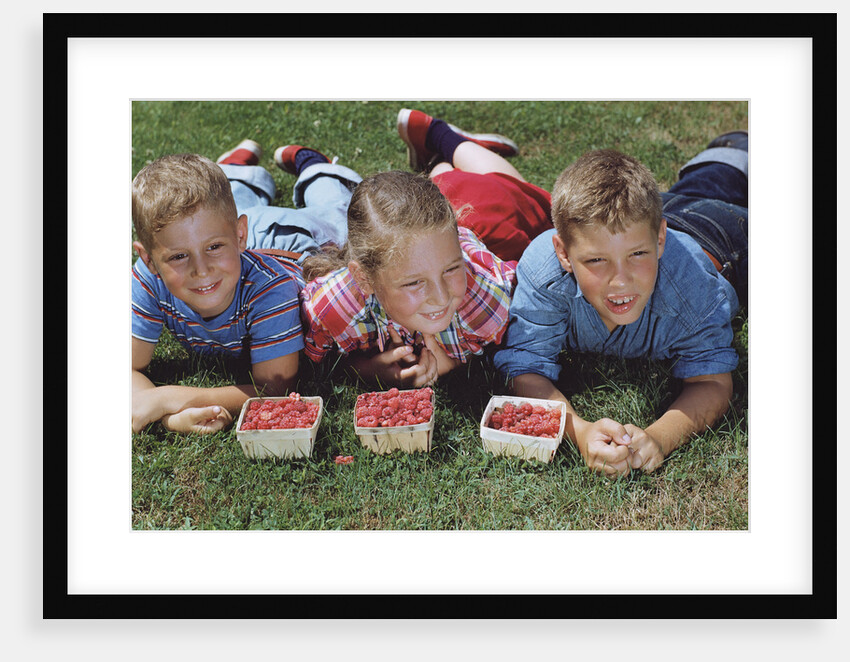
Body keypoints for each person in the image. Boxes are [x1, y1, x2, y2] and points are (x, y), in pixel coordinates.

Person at [492, 132, 749, 477]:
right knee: (698, 186)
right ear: (563, 253)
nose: (620, 280)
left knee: (725, 187)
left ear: (660, 240)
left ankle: (736, 148)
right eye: (596, 261)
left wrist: (659, 437)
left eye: (637, 257)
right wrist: (579, 431)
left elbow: (713, 382)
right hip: (643, 220)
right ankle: (730, 150)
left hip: (720, 237)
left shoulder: (690, 285)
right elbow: (525, 367)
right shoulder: (544, 273)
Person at [131, 140, 361, 434]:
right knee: (223, 209)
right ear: (149, 260)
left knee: (336, 215)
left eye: (213, 247)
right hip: (240, 241)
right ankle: (237, 171)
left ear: (241, 235)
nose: (201, 270)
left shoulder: (271, 291)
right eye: (178, 256)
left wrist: (169, 397)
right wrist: (169, 417)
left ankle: (318, 168)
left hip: (292, 242)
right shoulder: (148, 278)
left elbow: (275, 388)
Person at [299, 168, 518, 388]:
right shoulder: (332, 309)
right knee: (325, 213)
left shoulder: (489, 302)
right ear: (364, 280)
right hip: (397, 240)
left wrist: (455, 365)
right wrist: (362, 369)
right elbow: (313, 363)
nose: (441, 297)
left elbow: (519, 351)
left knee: (453, 172)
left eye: (451, 269)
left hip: (486, 212)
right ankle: (316, 169)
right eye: (414, 282)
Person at [396, 108, 554, 262]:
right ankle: (439, 142)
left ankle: (440, 141)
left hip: (479, 217)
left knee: (512, 194)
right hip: (480, 219)